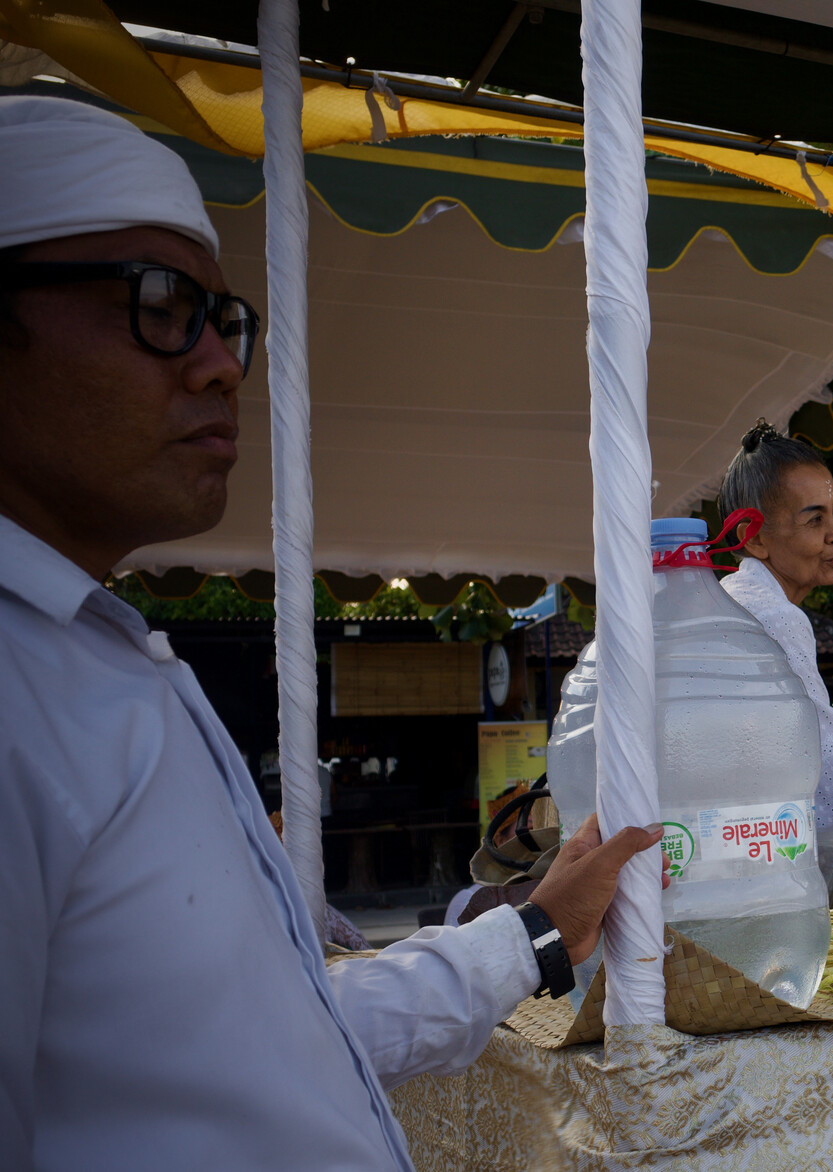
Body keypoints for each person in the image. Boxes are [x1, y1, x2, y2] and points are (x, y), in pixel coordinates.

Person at [0, 95, 664, 1170]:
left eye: (225, 321)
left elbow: (280, 1039)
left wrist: (538, 931)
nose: (219, 363)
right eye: (160, 303)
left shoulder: (100, 657)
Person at [718, 420, 833, 855]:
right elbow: (826, 760)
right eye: (815, 519)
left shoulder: (731, 600)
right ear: (753, 539)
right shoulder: (770, 614)